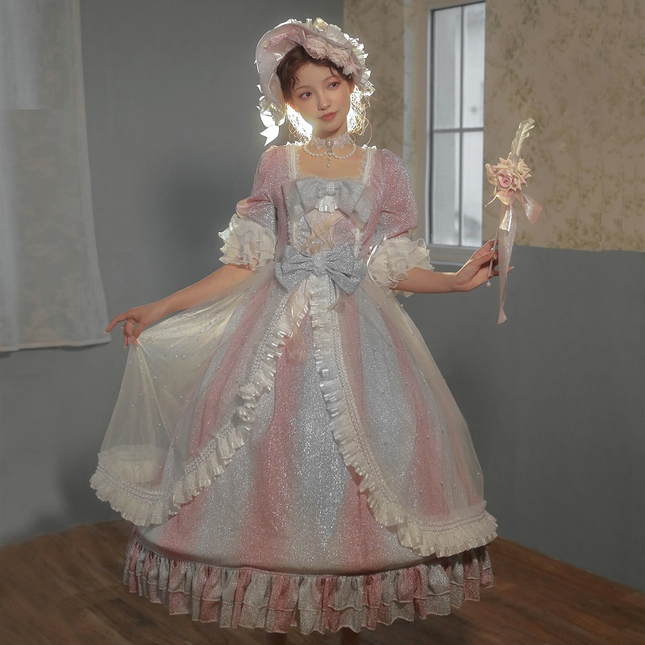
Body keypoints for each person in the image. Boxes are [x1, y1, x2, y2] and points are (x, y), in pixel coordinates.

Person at [91, 18, 499, 645]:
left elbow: (391, 268)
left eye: (331, 84)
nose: (322, 101)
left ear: (352, 83)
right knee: (270, 463)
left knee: (361, 473)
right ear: (287, 102)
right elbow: (244, 263)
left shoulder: (385, 169)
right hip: (277, 340)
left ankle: (347, 621)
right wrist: (161, 307)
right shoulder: (277, 163)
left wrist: (458, 281)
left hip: (361, 341)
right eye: (304, 92)